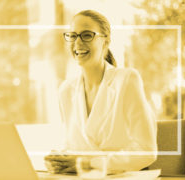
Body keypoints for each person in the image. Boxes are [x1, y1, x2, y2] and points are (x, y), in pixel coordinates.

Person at [44, 10, 157, 174]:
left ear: (106, 41)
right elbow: (74, 146)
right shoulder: (66, 90)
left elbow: (146, 151)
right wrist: (60, 160)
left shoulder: (126, 80)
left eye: (87, 35)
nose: (78, 42)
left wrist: (90, 163)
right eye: (73, 35)